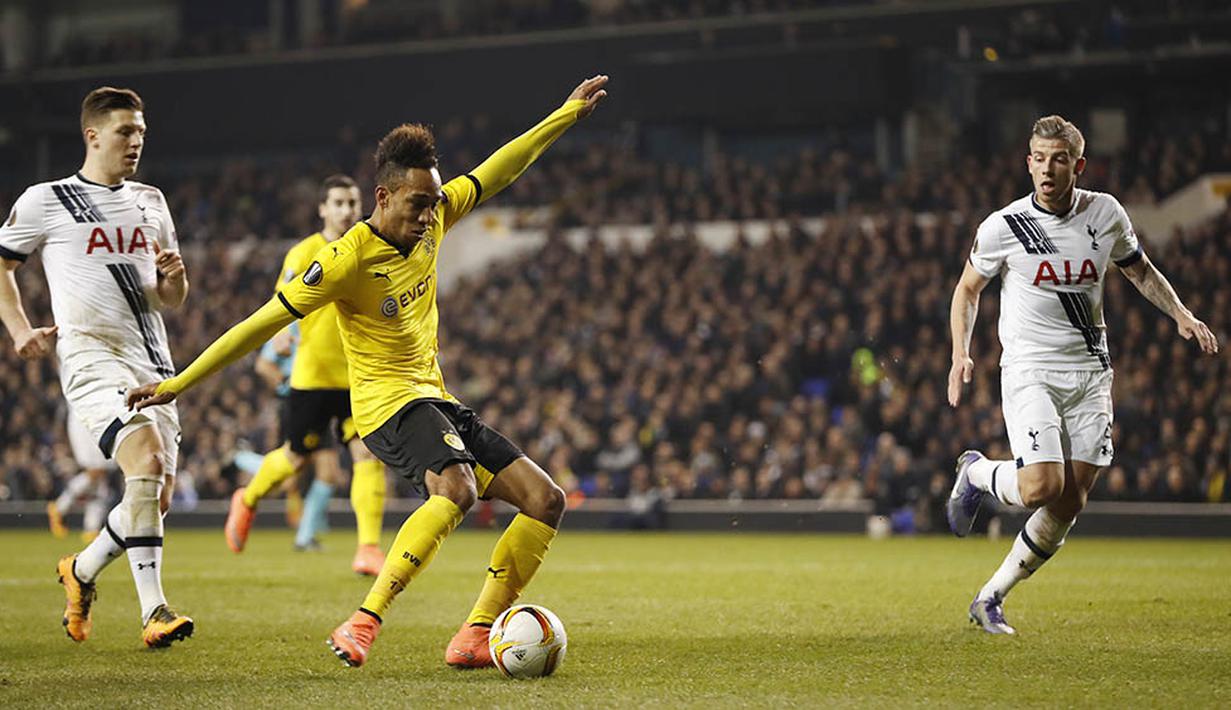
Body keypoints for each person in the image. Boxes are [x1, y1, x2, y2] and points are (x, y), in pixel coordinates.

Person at [128, 74, 609, 667]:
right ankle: (364, 619)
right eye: (416, 204)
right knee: (453, 488)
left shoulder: (434, 218)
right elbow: (258, 325)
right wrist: (176, 384)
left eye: (434, 203)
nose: (429, 215)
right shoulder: (343, 261)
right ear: (383, 198)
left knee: (546, 499)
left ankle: (476, 633)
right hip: (385, 407)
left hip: (434, 398)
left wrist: (562, 116)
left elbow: (501, 167)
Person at [946, 115, 1219, 634]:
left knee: (1071, 500)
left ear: (1078, 165)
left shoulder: (1105, 213)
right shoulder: (1004, 226)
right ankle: (976, 473)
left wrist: (1181, 314)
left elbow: (1138, 269)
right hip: (1031, 370)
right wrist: (961, 353)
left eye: (1059, 159)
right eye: (1040, 159)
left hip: (1091, 374)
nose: (1048, 169)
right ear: (1028, 163)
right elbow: (967, 290)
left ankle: (990, 598)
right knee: (1040, 487)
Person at [0, 87, 195, 647]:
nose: (135, 142)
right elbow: (3, 266)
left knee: (152, 498)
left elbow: (169, 299)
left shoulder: (152, 201)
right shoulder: (47, 199)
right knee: (146, 459)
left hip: (153, 360)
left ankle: (80, 571)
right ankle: (154, 612)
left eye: (140, 132)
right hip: (89, 354)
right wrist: (19, 330)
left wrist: (175, 281)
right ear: (92, 135)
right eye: (124, 133)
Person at [223, 175, 388, 573]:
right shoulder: (305, 253)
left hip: (358, 377)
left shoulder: (371, 249)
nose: (348, 210)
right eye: (339, 203)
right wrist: (280, 334)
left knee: (368, 456)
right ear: (323, 209)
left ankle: (368, 547)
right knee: (295, 459)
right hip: (312, 376)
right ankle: (247, 499)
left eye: (352, 202)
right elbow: (285, 301)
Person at [46, 408, 116, 542]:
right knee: (97, 470)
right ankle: (59, 507)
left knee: (101, 476)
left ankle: (91, 528)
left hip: (100, 418)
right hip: (85, 418)